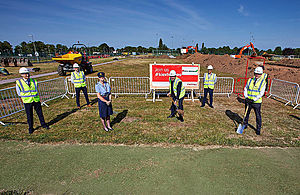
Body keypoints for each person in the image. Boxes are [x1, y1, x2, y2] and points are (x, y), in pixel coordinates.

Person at [16, 67, 49, 134]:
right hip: (27, 101)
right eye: (25, 74)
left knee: (40, 113)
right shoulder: (19, 83)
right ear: (21, 75)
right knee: (29, 115)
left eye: (27, 73)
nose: (27, 75)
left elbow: (36, 90)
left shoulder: (34, 81)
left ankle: (43, 124)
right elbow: (19, 93)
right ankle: (31, 128)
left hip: (36, 100)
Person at [243, 67, 267, 135]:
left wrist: (254, 99)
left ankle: (258, 129)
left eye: (258, 74)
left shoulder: (263, 82)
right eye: (256, 73)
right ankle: (245, 124)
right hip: (248, 100)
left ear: (261, 74)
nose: (257, 75)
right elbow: (246, 88)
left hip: (256, 102)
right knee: (246, 114)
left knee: (258, 116)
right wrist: (246, 97)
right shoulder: (250, 80)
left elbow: (261, 93)